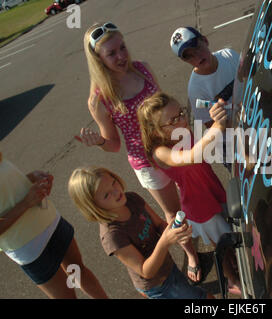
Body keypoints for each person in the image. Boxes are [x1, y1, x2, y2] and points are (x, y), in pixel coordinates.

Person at [76, 22, 202, 283]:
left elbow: (162, 105)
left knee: (197, 193)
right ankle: (191, 254)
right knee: (173, 213)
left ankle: (211, 228)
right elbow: (114, 144)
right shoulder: (100, 99)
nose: (121, 56)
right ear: (98, 59)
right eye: (111, 53)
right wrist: (99, 140)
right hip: (147, 163)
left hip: (176, 147)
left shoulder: (143, 69)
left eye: (122, 47)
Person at [137, 92, 241, 295]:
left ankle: (235, 264)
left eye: (181, 113)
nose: (182, 120)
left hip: (212, 191)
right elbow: (194, 155)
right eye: (173, 119)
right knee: (220, 243)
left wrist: (218, 117)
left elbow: (209, 143)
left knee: (228, 234)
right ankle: (232, 279)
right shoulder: (160, 152)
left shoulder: (182, 132)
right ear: (155, 131)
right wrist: (217, 127)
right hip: (199, 206)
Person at [67, 166, 213, 299]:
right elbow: (145, 271)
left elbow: (158, 225)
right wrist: (165, 241)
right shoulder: (112, 236)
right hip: (159, 287)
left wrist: (175, 232)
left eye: (113, 182)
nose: (116, 191)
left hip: (168, 267)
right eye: (106, 195)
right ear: (93, 206)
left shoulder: (132, 199)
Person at [0, 152, 107, 299]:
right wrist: (25, 203)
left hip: (50, 222)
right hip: (30, 248)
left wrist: (32, 177)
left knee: (78, 272)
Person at [170, 26, 240, 170]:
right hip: (232, 144)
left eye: (197, 47)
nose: (196, 56)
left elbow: (249, 78)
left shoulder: (229, 55)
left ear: (205, 40)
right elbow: (212, 127)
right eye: (189, 56)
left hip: (255, 122)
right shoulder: (195, 90)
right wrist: (228, 120)